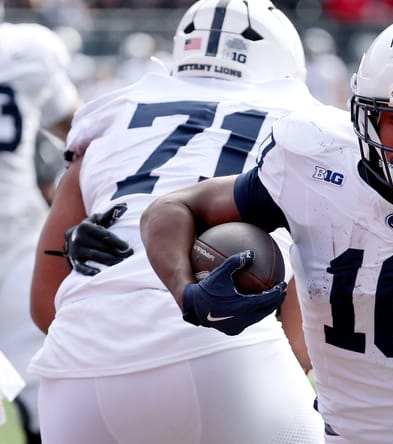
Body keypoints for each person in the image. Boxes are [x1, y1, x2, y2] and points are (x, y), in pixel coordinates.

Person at [139, 12, 393, 444]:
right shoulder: (313, 162)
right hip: (344, 433)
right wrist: (187, 293)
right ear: (366, 114)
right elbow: (168, 210)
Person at [29, 1, 324, 443]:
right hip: (231, 359)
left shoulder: (111, 115)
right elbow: (316, 298)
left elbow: (45, 302)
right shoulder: (312, 128)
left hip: (77, 370)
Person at [0, 15, 82, 444]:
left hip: (16, 237)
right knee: (39, 377)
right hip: (15, 236)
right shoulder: (25, 48)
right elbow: (78, 130)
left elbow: (76, 130)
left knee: (40, 377)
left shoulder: (29, 50)